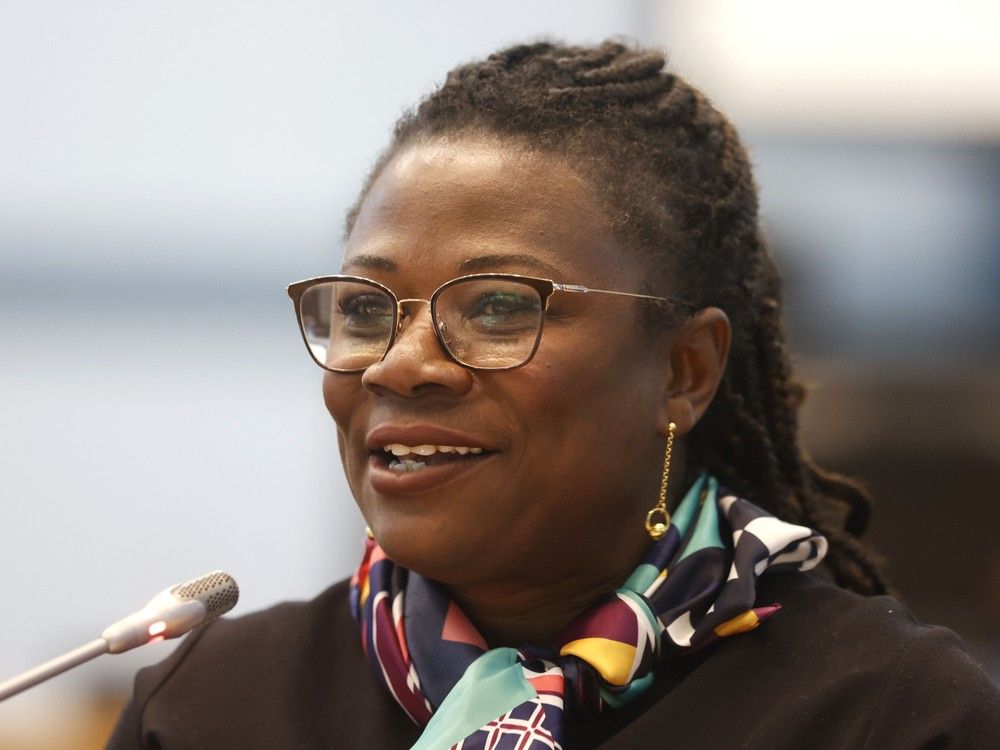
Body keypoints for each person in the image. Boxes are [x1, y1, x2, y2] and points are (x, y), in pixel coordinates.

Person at [107, 39, 1000, 749]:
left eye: (499, 306)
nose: (399, 363)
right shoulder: (208, 710)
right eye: (367, 308)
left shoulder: (891, 720)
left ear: (684, 371)